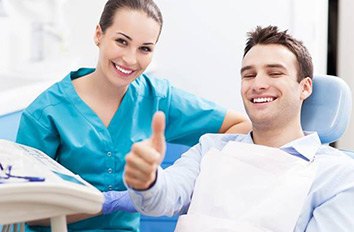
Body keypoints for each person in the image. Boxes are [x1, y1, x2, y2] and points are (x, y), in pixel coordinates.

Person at [15, 0, 251, 232]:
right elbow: (26, 211)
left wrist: (177, 179)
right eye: (121, 41)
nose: (130, 59)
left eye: (145, 49)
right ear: (99, 34)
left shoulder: (157, 97)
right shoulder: (46, 113)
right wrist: (107, 203)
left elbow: (241, 127)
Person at [124, 25, 354, 231]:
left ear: (304, 88)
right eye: (249, 75)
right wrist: (147, 180)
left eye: (275, 73)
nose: (258, 84)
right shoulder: (211, 148)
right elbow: (161, 199)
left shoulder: (337, 175)